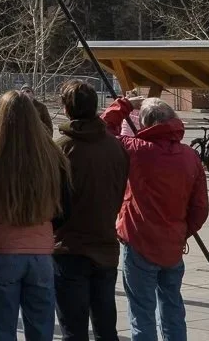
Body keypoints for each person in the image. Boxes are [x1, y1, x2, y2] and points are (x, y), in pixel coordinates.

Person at [0, 91, 71, 341]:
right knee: (41, 328)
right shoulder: (52, 157)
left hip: (0, 249)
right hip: (40, 252)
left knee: (2, 330)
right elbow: (65, 205)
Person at [102, 95, 207, 341]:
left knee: (142, 312)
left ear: (145, 125)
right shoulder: (190, 156)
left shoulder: (135, 150)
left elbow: (102, 132)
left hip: (139, 240)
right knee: (172, 309)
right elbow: (200, 207)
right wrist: (182, 231)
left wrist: (124, 105)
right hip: (172, 242)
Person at [54, 80, 130, 341]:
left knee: (74, 329)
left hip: (69, 247)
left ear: (66, 109)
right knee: (106, 325)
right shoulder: (115, 147)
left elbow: (53, 201)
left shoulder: (62, 149)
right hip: (104, 244)